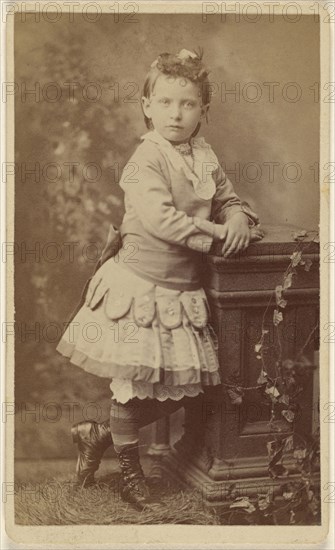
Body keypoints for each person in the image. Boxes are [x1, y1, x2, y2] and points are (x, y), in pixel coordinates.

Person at [56, 48, 263, 509]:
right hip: (140, 287)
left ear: (203, 111)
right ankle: (130, 469)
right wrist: (219, 236)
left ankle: (99, 435)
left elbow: (229, 197)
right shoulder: (144, 159)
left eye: (188, 104)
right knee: (136, 385)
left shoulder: (204, 154)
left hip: (182, 290)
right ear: (147, 105)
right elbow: (163, 220)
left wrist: (236, 219)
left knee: (195, 387)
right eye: (166, 102)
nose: (176, 113)